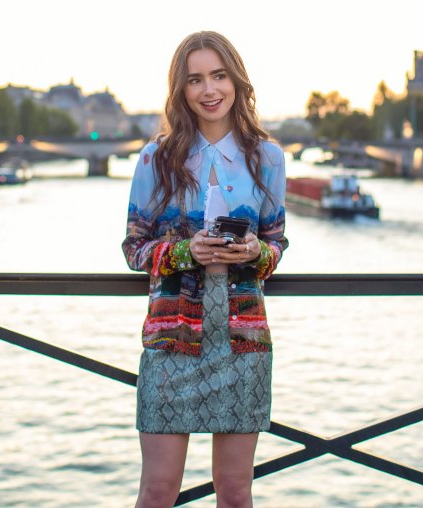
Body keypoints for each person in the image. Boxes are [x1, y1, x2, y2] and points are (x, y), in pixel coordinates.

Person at [121, 31, 288, 507]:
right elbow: (134, 248)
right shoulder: (157, 158)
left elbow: (277, 244)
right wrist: (184, 252)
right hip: (171, 340)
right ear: (181, 90)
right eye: (195, 80)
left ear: (236, 81)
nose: (209, 90)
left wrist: (255, 252)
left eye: (218, 75)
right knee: (157, 491)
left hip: (243, 344)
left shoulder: (267, 158)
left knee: (235, 492)